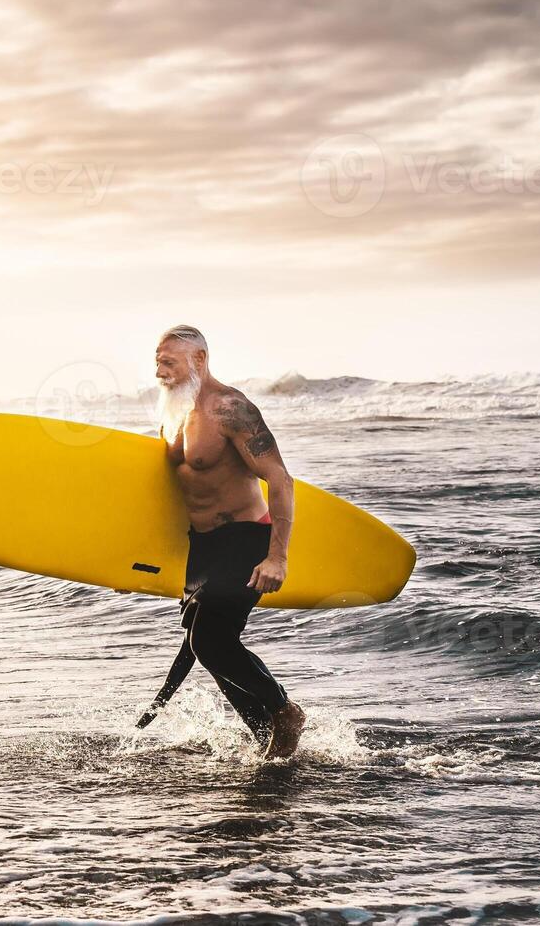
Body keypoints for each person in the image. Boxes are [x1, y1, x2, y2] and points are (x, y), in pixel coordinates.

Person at [142, 325, 306, 758]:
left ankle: (284, 713)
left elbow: (280, 480)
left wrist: (277, 557)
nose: (159, 370)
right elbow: (172, 491)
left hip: (246, 539)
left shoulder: (231, 409)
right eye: (157, 361)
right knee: (209, 646)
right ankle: (266, 738)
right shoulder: (173, 411)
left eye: (168, 362)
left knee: (209, 642)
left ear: (199, 360)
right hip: (204, 547)